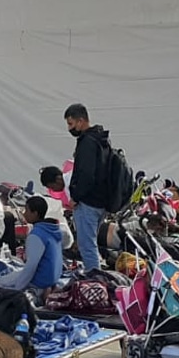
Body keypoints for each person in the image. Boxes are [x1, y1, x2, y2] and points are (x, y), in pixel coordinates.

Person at [64, 103, 110, 272]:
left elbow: (86, 175)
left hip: (88, 203)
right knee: (91, 244)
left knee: (87, 247)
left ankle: (94, 284)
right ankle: (96, 279)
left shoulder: (87, 143)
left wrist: (75, 197)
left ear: (81, 121)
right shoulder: (101, 140)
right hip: (101, 202)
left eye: (71, 124)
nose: (69, 128)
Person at [0, 196, 63, 298]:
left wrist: (18, 288)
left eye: (26, 210)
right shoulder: (53, 230)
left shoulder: (36, 235)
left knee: (0, 283)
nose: (24, 213)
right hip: (53, 279)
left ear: (35, 213)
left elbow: (31, 266)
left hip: (40, 282)